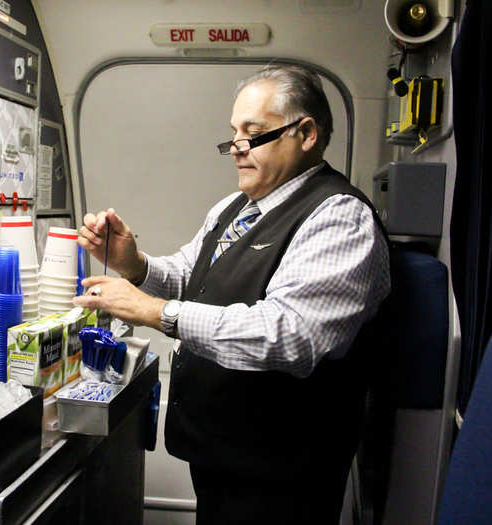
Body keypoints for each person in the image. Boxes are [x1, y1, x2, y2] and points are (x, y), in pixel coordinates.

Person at [73, 65, 390, 524]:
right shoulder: (236, 206)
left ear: (305, 133)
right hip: (224, 454)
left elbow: (290, 335)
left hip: (283, 473)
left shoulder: (338, 218)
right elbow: (191, 276)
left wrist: (156, 312)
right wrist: (133, 263)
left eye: (253, 133)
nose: (237, 148)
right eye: (234, 133)